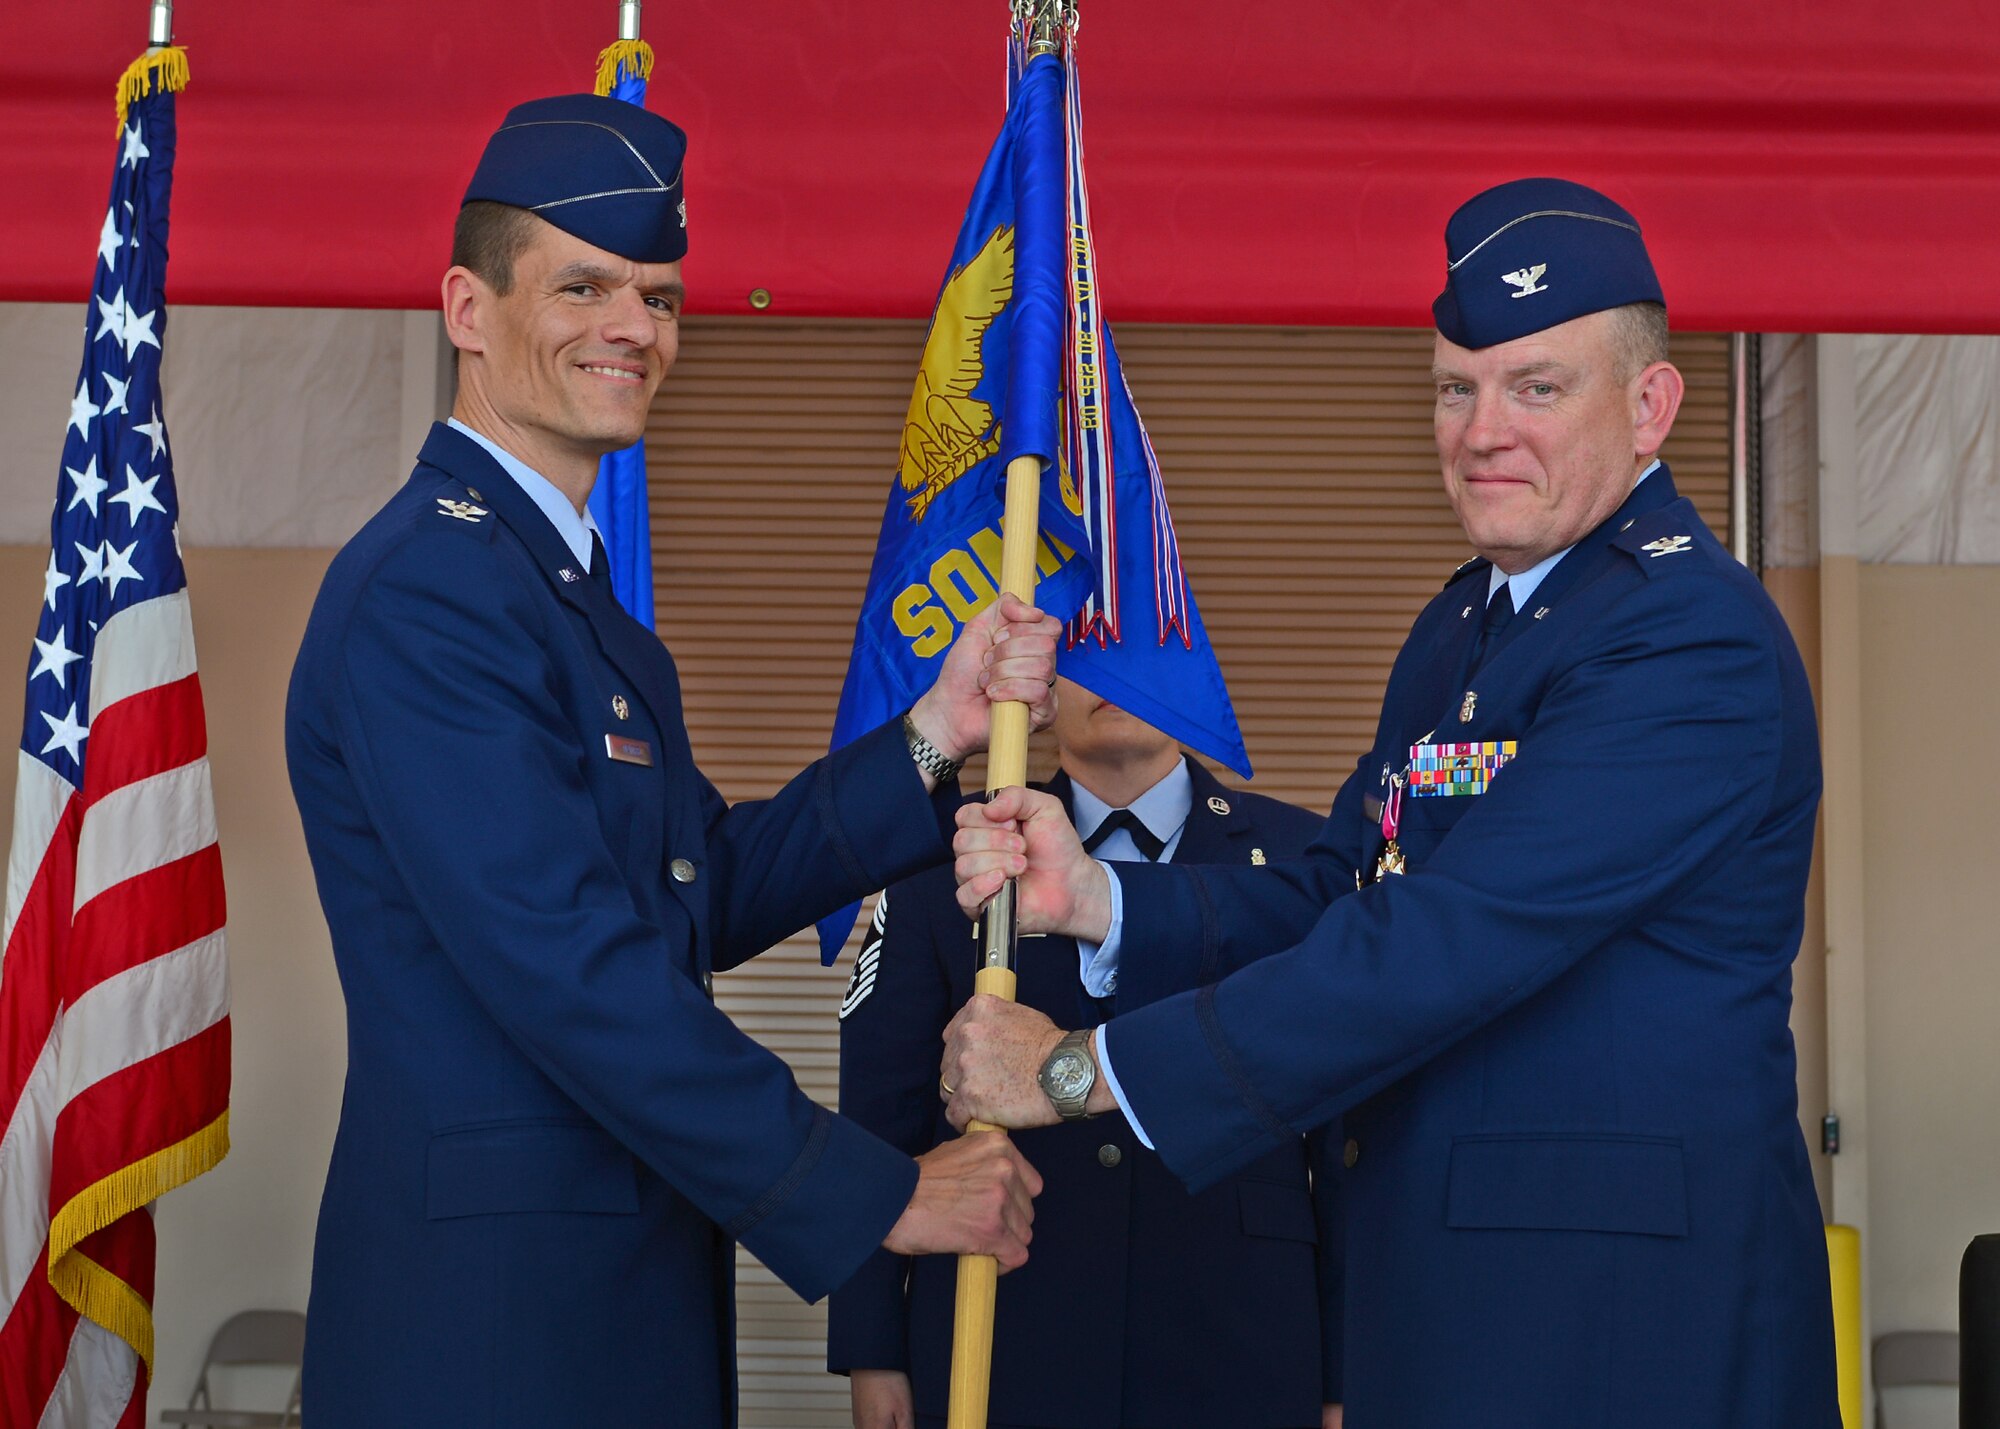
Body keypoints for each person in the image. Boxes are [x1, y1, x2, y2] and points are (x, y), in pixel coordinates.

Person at [939, 178, 1839, 1427]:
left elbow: (1444, 938)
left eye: (1536, 386)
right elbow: (1343, 888)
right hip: (1443, 1307)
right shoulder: (1459, 626)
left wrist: (1082, 1074)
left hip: (1615, 1331)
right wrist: (1096, 899)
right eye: (1453, 388)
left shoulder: (1689, 641)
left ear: (1649, 408)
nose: (1482, 431)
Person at [285, 95, 1056, 1428]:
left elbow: (696, 891)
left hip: (607, 1295)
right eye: (583, 286)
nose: (634, 326)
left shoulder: (563, 599)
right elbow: (568, 965)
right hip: (495, 1331)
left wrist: (934, 731)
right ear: (468, 310)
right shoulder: (429, 591)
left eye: (659, 293)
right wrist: (878, 1190)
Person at [829, 680, 1342, 1429]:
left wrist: (1348, 1375)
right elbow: (879, 1118)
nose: (1116, 672)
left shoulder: (1303, 860)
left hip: (1243, 1334)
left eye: (1140, 642)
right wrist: (873, 1350)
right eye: (1087, 645)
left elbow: (1347, 1141)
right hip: (1008, 1330)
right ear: (1037, 688)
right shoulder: (956, 859)